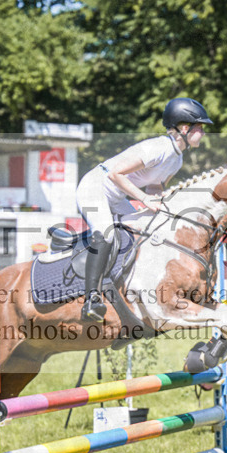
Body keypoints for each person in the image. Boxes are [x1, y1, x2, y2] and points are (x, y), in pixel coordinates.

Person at [75, 97, 213, 322]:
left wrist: (163, 202)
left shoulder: (176, 160)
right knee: (106, 232)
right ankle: (90, 299)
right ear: (185, 128)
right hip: (94, 187)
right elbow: (114, 174)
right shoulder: (157, 148)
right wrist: (144, 199)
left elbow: (154, 185)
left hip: (116, 195)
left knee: (151, 228)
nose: (204, 133)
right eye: (200, 128)